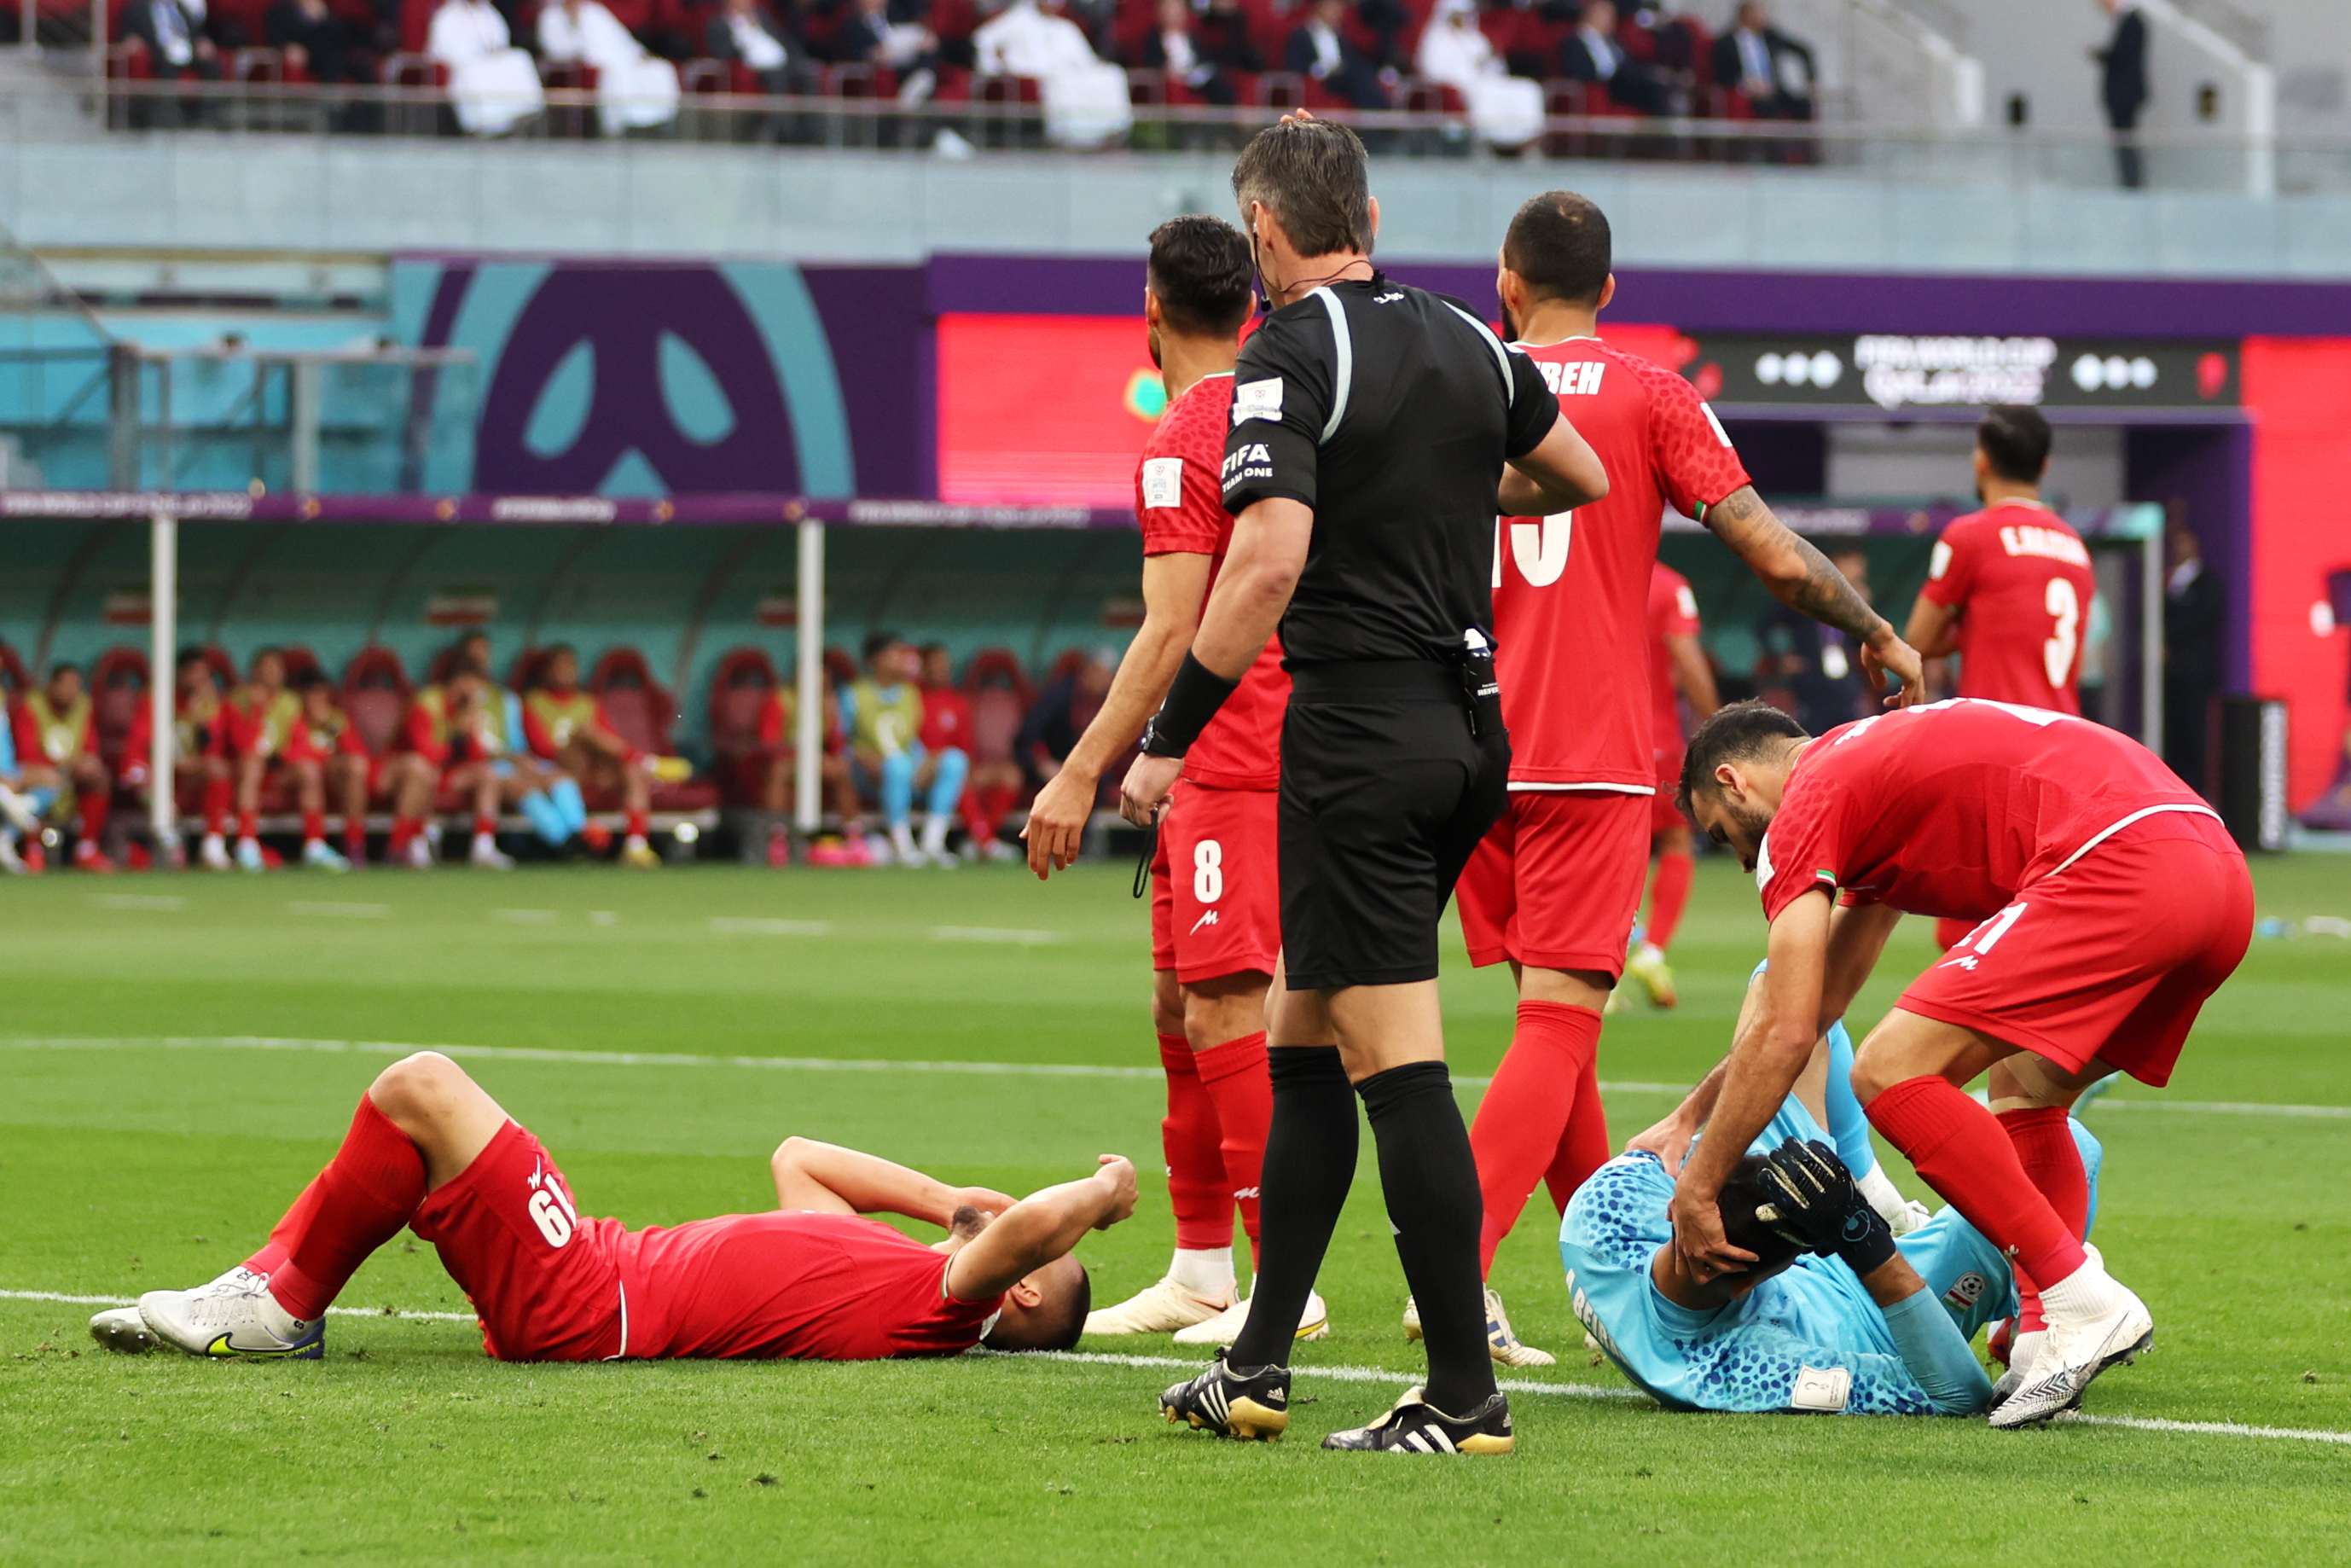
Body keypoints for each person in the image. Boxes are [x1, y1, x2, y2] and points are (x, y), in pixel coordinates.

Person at [1129, 115, 1607, 1455]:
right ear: (1373, 219)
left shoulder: (1288, 352)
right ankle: (1259, 1362)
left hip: (1360, 741)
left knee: (1396, 1062)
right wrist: (1446, 499)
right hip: (1470, 734)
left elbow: (1268, 561)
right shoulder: (1467, 335)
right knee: (1301, 1036)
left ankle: (1464, 1390)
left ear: (1270, 239)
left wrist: (1168, 738)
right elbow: (1581, 472)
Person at [1454, 190, 1924, 1359]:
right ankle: (1450, 1277)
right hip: (1592, 753)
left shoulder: (1461, 383)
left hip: (1466, 744)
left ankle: (1595, 1253)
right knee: (1560, 1021)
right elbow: (1767, 549)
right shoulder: (1655, 395)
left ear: (1506, 283)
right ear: (1609, 289)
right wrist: (1872, 624)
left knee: (1553, 1026)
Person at [1663, 697, 2251, 1427]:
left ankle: (2079, 1294)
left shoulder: (1807, 799)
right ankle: (2046, 1336)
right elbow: (1815, 1011)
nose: (1748, 859)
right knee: (2026, 1090)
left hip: (2120, 862)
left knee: (1887, 1071)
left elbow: (1785, 1029)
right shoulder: (1864, 776)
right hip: (2217, 873)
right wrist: (1693, 1112)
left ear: (1734, 780)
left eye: (1727, 836)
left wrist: (1699, 1184)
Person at [1025, 216, 1312, 1350]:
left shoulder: (1189, 428)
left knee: (1229, 1002)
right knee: (1181, 1005)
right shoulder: (1275, 405)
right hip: (1241, 750)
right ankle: (1201, 1269)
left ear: (1151, 312)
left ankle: (1280, 1279)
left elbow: (1170, 629)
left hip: (1238, 747)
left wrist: (1079, 772)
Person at [90, 1051, 1127, 1365]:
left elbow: (1036, 1225)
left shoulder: (940, 1303)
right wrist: (945, 1194)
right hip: (590, 1271)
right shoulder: (887, 1267)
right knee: (412, 1139)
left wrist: (1098, 1196)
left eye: (1012, 1246)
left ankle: (280, 1311)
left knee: (424, 1087)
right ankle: (269, 1291)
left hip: (591, 1301)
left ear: (1022, 1284)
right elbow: (800, 1155)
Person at [1570, 971, 2073, 1416]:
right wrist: (1863, 1242)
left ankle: (1876, 1193)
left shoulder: (1608, 1207)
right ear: (1743, 1285)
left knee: (1789, 988)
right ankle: (2032, 1325)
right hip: (1882, 1310)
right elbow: (1960, 1395)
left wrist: (1689, 1117)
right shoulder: (1741, 1372)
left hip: (1793, 1206)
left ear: (1680, 1196)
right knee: (2063, 1155)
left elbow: (1791, 1021)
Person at [1903, 404, 2096, 950]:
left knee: (1964, 921)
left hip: (1998, 744)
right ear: (2046, 465)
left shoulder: (1972, 535)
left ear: (1982, 460)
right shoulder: (2074, 547)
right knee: (2034, 914)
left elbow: (1914, 643)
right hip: (2066, 748)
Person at [1617, 560, 1718, 1012]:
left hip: (1593, 740)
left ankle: (1605, 962)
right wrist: (1718, 727)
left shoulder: (1586, 575)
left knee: (1612, 855)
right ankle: (1652, 952)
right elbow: (1686, 656)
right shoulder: (1668, 585)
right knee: (1677, 840)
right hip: (1656, 742)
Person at [523, 643, 682, 869]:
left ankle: (635, 845)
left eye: (570, 665)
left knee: (631, 771)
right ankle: (646, 761)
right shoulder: (535, 702)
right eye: (560, 666)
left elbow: (611, 739)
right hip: (561, 766)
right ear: (548, 671)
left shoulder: (587, 702)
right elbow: (542, 748)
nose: (566, 671)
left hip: (594, 767)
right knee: (585, 731)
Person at [841, 632, 967, 866]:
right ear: (876, 660)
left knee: (953, 760)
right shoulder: (855, 694)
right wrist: (861, 757)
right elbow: (841, 743)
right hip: (867, 774)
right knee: (897, 765)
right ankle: (901, 843)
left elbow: (910, 740)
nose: (903, 660)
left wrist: (923, 761)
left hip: (906, 766)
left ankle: (933, 842)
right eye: (895, 654)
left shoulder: (910, 693)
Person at [221, 648, 351, 872]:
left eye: (277, 668)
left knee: (308, 769)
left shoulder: (290, 702)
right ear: (255, 672)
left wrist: (283, 757)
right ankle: (246, 843)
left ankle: (314, 845)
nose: (272, 674)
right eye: (266, 668)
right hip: (243, 772)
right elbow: (242, 745)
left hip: (276, 770)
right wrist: (256, 710)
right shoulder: (237, 700)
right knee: (252, 764)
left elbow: (299, 743)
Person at [972, 0, 1133, 148]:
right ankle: (1069, 137)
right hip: (1039, 74)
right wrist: (1000, 63)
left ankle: (1108, 133)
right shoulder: (1016, 20)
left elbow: (1086, 60)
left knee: (1113, 74)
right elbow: (985, 41)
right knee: (1060, 83)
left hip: (1070, 72)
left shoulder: (1066, 27)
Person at [1760, 548, 1873, 738]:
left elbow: (1869, 638)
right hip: (1813, 687)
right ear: (1836, 564)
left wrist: (1865, 609)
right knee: (1812, 741)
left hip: (1845, 688)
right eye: (1854, 565)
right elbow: (1765, 627)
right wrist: (1782, 657)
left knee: (1851, 740)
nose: (1860, 573)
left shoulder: (1853, 603)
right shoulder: (1806, 599)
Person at [757, 676, 868, 867]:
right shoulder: (781, 699)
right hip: (789, 760)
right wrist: (800, 755)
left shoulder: (828, 702)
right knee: (779, 771)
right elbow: (768, 742)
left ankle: (854, 837)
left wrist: (830, 720)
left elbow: (836, 743)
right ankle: (777, 838)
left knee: (841, 770)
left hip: (819, 760)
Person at [918, 645, 1015, 862]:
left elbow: (966, 747)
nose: (942, 670)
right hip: (926, 772)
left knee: (1009, 775)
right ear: (923, 668)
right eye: (936, 665)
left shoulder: (958, 702)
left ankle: (978, 840)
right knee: (955, 775)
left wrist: (971, 768)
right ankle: (986, 842)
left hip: (958, 765)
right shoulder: (913, 699)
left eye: (946, 665)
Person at [14, 665, 115, 872]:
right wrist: (63, 766)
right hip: (38, 773)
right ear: (51, 685)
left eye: (76, 686)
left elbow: (90, 747)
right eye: (66, 685)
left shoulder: (84, 706)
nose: (71, 692)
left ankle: (86, 849)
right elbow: (26, 754)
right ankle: (33, 850)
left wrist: (84, 763)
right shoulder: (31, 706)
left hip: (70, 776)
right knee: (34, 778)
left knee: (98, 776)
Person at [538, 0, 681, 135]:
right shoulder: (551, 15)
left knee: (660, 68)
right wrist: (574, 25)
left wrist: (639, 54)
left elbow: (620, 39)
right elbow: (556, 49)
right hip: (588, 63)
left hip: (620, 59)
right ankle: (619, 126)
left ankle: (658, 122)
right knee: (616, 74)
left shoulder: (593, 11)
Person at [1414, 0, 1541, 149]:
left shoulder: (1476, 39)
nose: (1462, 18)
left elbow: (1496, 69)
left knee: (1527, 88)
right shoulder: (1436, 39)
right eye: (1458, 15)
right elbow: (1433, 70)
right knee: (1484, 95)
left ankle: (1524, 139)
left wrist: (1490, 60)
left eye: (1465, 15)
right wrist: (1467, 73)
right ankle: (1490, 143)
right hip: (1460, 86)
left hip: (1486, 82)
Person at [287, 670, 374, 868]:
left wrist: (330, 727)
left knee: (356, 766)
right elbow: (294, 754)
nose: (319, 699)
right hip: (295, 777)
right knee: (309, 770)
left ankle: (355, 844)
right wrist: (326, 758)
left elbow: (357, 752)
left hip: (328, 777)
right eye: (313, 694)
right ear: (302, 696)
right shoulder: (294, 716)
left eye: (322, 693)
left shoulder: (335, 719)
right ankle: (314, 845)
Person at [2161, 525, 2222, 799]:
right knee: (2172, 735)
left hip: (2195, 676)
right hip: (2170, 676)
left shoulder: (2207, 583)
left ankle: (2198, 792)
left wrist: (2170, 638)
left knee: (2195, 732)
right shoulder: (2167, 582)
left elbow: (2202, 620)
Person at [427, 0, 546, 136]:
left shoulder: (488, 11)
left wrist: (493, 51)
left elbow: (501, 39)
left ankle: (522, 112)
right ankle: (486, 124)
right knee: (476, 73)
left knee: (520, 58)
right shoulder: (447, 15)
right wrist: (478, 53)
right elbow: (443, 50)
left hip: (490, 60)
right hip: (463, 67)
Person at [1014, 648, 1114, 793]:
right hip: (1053, 764)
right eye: (1099, 673)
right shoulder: (1060, 696)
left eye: (1108, 675)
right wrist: (1043, 763)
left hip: (1088, 770)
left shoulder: (1108, 699)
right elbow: (1025, 739)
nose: (1105, 680)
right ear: (1086, 671)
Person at [120, 0, 222, 128]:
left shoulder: (179, 7)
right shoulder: (137, 9)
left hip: (186, 51)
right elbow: (127, 32)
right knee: (166, 68)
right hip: (158, 52)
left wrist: (201, 41)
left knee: (211, 66)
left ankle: (206, 119)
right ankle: (168, 120)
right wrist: (131, 39)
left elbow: (194, 32)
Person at [1559, 0, 1669, 116]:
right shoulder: (1574, 41)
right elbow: (1577, 70)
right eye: (1606, 15)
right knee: (1653, 90)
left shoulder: (1612, 41)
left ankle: (1664, 129)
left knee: (1658, 87)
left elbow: (1627, 64)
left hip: (1622, 81)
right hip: (1601, 83)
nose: (1611, 20)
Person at [1710, 1, 1812, 120]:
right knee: (1765, 105)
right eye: (1759, 13)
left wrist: (1810, 79)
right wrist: (1747, 84)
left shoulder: (1770, 37)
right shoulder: (1726, 42)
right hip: (1747, 91)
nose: (1764, 17)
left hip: (1773, 89)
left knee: (1802, 105)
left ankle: (1801, 139)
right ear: (1747, 14)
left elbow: (1802, 51)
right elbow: (1721, 74)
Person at [1286, 0, 1386, 113]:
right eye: (1332, 8)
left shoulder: (1340, 36)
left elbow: (1348, 59)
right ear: (1321, 8)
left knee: (1365, 71)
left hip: (1341, 77)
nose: (1337, 12)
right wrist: (1321, 69)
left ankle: (1376, 113)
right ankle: (1378, 114)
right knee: (1359, 77)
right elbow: (1295, 65)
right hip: (1322, 79)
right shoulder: (1301, 35)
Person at [2093, 0, 2147, 190]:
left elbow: (2122, 56)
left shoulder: (2132, 23)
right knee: (2123, 139)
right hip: (2123, 94)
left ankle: (2131, 182)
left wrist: (2101, 55)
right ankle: (2129, 181)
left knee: (2125, 139)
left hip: (2125, 95)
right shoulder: (2131, 22)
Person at [1140, 0, 1236, 107]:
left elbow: (1202, 59)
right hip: (1173, 78)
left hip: (1194, 77)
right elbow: (1152, 63)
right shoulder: (1153, 39)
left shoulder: (1192, 38)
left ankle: (1228, 116)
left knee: (1218, 78)